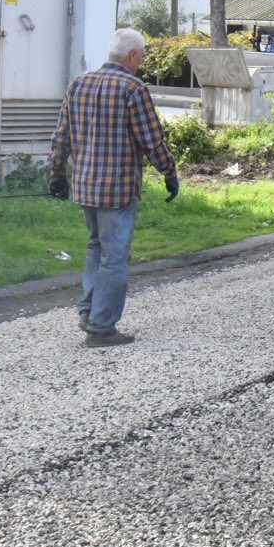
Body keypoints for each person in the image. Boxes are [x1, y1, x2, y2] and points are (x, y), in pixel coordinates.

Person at [49, 27, 179, 348]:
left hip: (84, 187)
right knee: (114, 256)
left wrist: (56, 173)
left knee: (95, 246)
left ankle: (90, 309)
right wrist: (169, 172)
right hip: (117, 189)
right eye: (142, 56)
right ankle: (101, 327)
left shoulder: (78, 85)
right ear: (132, 56)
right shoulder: (133, 89)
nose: (142, 61)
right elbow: (151, 140)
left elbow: (61, 136)